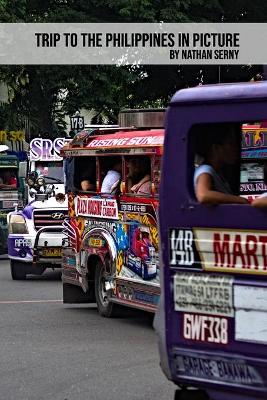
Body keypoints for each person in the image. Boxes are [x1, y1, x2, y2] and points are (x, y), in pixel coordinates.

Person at [194, 124, 248, 205]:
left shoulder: (218, 174)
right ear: (216, 148)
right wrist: (241, 200)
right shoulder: (205, 170)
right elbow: (203, 195)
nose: (236, 148)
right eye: (231, 144)